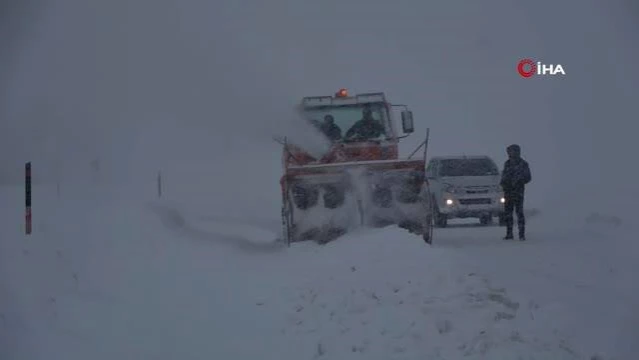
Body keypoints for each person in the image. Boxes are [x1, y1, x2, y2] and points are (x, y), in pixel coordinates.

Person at [500, 144, 531, 240]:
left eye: (512, 151)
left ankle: (521, 234)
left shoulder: (523, 164)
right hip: (508, 192)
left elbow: (528, 177)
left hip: (518, 192)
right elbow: (504, 176)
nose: (510, 153)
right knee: (508, 213)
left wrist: (519, 181)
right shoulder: (507, 163)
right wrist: (503, 183)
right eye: (509, 151)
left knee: (519, 213)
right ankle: (509, 233)